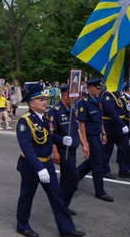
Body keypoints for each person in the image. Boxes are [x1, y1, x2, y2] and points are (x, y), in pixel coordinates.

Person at [16, 83, 85, 237]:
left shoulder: (45, 118)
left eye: (44, 98)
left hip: (46, 163)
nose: (44, 101)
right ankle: (22, 225)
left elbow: (49, 136)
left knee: (57, 196)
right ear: (32, 103)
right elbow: (26, 148)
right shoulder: (24, 121)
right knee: (27, 196)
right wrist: (39, 169)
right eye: (40, 99)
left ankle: (66, 229)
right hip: (31, 166)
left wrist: (62, 140)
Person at [48, 86, 89, 216]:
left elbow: (76, 129)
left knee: (65, 178)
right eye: (73, 95)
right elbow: (51, 133)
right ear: (66, 95)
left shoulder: (71, 109)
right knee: (73, 178)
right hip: (62, 151)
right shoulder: (55, 111)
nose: (75, 97)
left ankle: (61, 204)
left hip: (72, 150)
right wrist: (54, 152)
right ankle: (62, 205)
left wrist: (84, 144)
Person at [77, 79, 114, 202]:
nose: (99, 90)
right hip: (90, 137)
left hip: (97, 135)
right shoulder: (84, 103)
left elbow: (99, 118)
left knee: (92, 161)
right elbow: (81, 124)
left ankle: (73, 178)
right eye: (97, 88)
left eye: (100, 88)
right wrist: (85, 142)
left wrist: (103, 132)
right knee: (97, 163)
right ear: (90, 87)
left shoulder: (97, 100)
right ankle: (100, 191)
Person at [100, 87, 130, 179]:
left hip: (119, 127)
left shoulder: (116, 93)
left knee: (125, 148)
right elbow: (111, 111)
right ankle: (104, 170)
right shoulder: (106, 94)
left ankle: (124, 170)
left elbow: (121, 108)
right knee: (107, 151)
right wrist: (122, 124)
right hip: (110, 127)